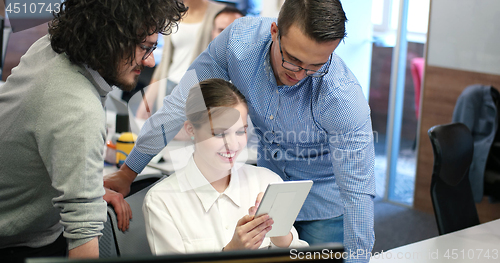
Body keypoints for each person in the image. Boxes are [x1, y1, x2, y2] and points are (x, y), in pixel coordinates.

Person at [106, 0, 375, 261]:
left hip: (324, 200)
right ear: (274, 32)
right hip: (265, 189)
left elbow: (358, 192)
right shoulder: (239, 43)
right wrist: (129, 172)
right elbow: (181, 103)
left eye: (316, 66)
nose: (300, 74)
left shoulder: (342, 98)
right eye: (292, 60)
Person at [0, 0, 186, 261]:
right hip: (17, 245)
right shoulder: (77, 108)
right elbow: (83, 233)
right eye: (145, 48)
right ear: (109, 39)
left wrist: (87, 189)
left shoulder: (51, 49)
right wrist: (85, 202)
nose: (151, 61)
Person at [142, 78, 308, 254]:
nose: (233, 145)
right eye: (220, 133)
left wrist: (282, 239)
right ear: (190, 129)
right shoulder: (162, 201)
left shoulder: (267, 182)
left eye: (240, 131)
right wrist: (231, 252)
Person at [136, 0, 226, 120]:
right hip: (170, 86)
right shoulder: (172, 11)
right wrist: (148, 100)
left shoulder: (220, 12)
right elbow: (165, 59)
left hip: (199, 91)